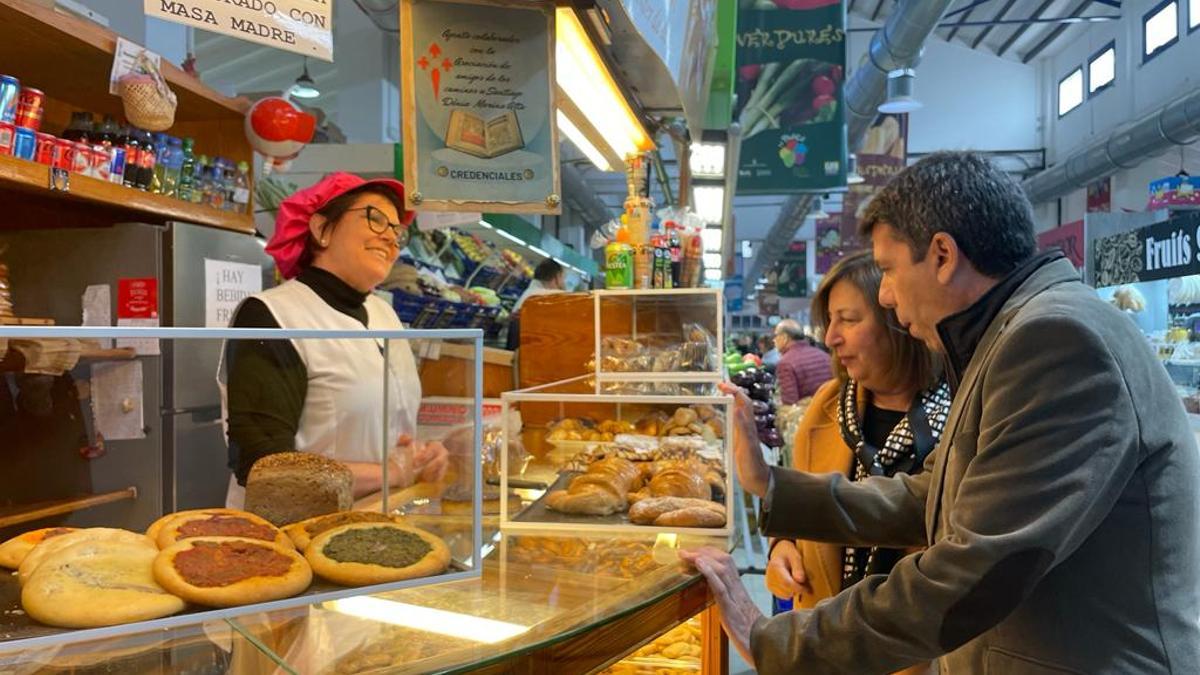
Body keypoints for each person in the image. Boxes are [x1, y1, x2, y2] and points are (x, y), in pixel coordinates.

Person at [683, 151, 1200, 673]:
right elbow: (931, 496)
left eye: (888, 270)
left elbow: (975, 570)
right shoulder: (1009, 336)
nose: (886, 296)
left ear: (943, 256)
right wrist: (772, 485)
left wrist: (775, 640)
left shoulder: (1054, 340)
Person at [766, 252, 947, 675]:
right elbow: (800, 500)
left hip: (921, 657)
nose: (831, 337)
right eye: (829, 320)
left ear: (898, 320)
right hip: (825, 646)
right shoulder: (828, 407)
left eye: (847, 319)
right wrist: (782, 546)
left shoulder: (959, 416)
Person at [221, 172, 448, 507]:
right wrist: (391, 473)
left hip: (374, 519)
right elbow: (263, 468)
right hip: (297, 529)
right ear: (322, 228)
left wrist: (420, 455)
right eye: (375, 219)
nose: (390, 237)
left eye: (397, 230)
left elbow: (385, 427)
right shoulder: (272, 315)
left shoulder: (384, 314)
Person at [505, 258, 566, 351]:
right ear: (557, 277)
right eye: (563, 278)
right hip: (531, 352)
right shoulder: (553, 296)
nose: (563, 282)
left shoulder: (529, 293)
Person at [773, 319, 832, 404]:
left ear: (785, 338)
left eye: (775, 335)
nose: (774, 340)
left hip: (808, 411)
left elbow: (789, 404)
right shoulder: (825, 356)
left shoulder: (785, 363)